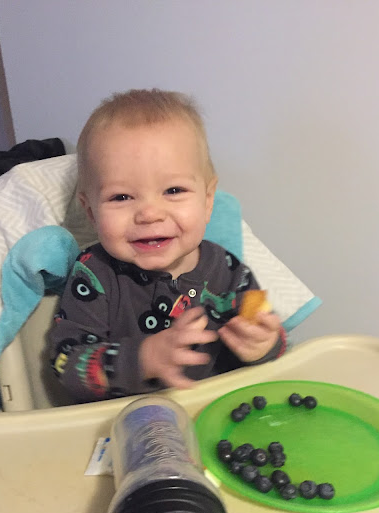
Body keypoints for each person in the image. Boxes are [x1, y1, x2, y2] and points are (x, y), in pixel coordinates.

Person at [49, 89, 285, 402]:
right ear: (91, 212)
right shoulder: (95, 274)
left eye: (173, 190)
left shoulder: (228, 272)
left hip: (217, 412)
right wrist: (142, 359)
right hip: (129, 420)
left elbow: (269, 350)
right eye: (121, 197)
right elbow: (66, 362)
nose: (150, 214)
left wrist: (264, 346)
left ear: (208, 200)